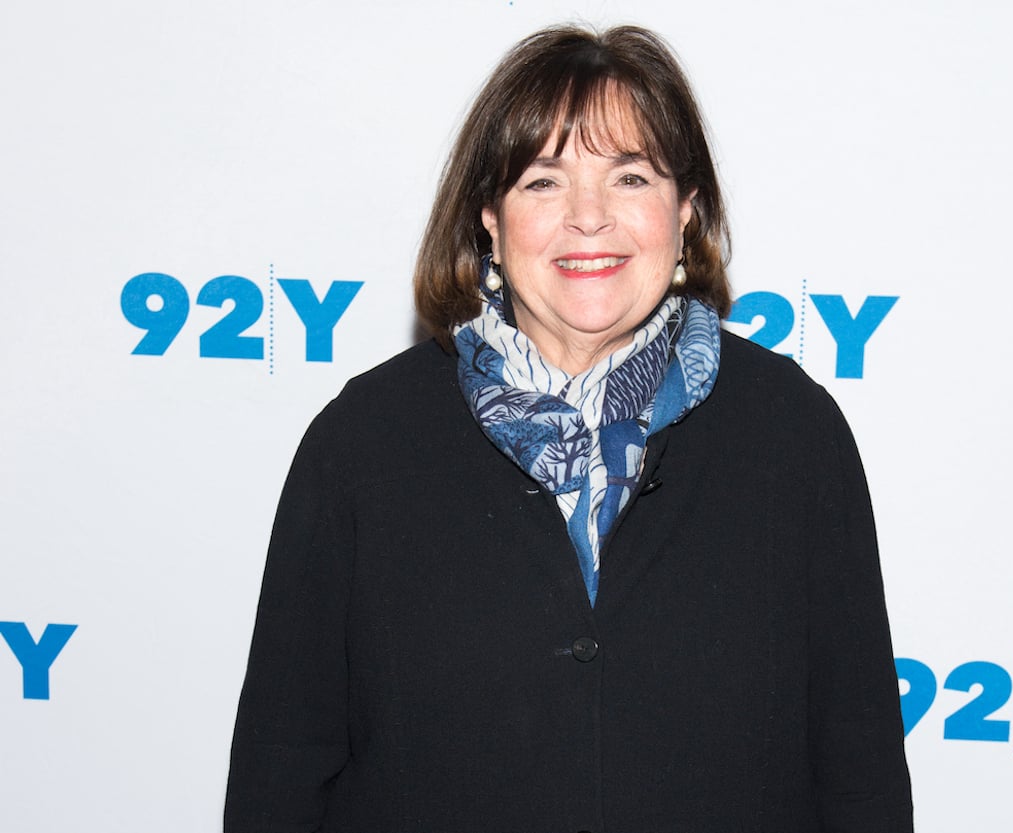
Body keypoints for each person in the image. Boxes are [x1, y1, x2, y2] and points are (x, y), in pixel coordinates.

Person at [225, 23, 912, 833]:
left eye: (630, 177)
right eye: (544, 182)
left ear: (685, 210)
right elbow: (281, 773)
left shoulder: (796, 438)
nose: (590, 219)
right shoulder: (361, 448)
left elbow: (859, 770)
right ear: (488, 215)